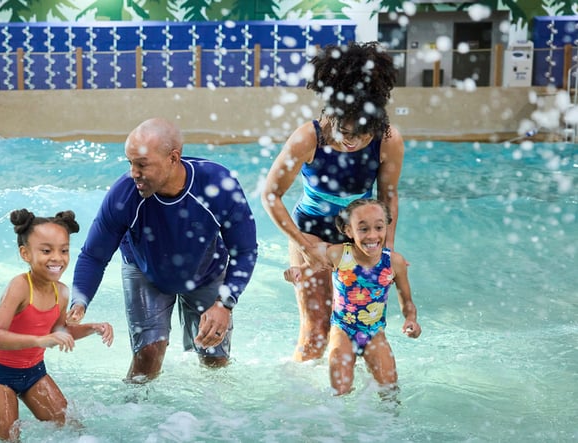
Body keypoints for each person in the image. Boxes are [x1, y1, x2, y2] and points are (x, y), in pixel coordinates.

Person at [67, 117, 258, 383]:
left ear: (173, 158)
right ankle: (133, 416)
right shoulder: (124, 195)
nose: (134, 172)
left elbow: (245, 251)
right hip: (145, 270)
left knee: (214, 358)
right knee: (147, 359)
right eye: (130, 163)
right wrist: (80, 299)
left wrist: (224, 303)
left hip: (206, 271)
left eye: (142, 164)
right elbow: (94, 255)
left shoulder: (218, 186)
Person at [261, 41, 405, 362]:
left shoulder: (387, 140)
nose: (353, 142)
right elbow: (271, 194)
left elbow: (388, 198)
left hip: (359, 237)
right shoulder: (308, 138)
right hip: (309, 232)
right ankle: (300, 402)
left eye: (363, 134)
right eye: (346, 132)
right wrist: (303, 245)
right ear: (331, 113)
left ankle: (346, 402)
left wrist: (385, 252)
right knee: (316, 330)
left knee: (359, 328)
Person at [0, 209, 114, 441]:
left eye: (64, 250)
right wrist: (39, 340)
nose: (57, 258)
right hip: (1, 376)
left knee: (74, 431)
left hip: (35, 373)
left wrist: (94, 328)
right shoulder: (20, 286)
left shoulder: (61, 292)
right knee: (10, 439)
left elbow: (58, 331)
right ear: (25, 253)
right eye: (46, 250)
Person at [284, 199, 420, 395]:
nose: (372, 235)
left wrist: (411, 320)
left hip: (375, 332)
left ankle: (388, 425)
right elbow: (307, 270)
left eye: (379, 227)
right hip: (343, 330)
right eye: (363, 229)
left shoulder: (394, 262)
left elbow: (407, 301)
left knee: (389, 389)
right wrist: (295, 273)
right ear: (348, 231)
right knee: (340, 390)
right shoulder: (339, 255)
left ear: (386, 227)